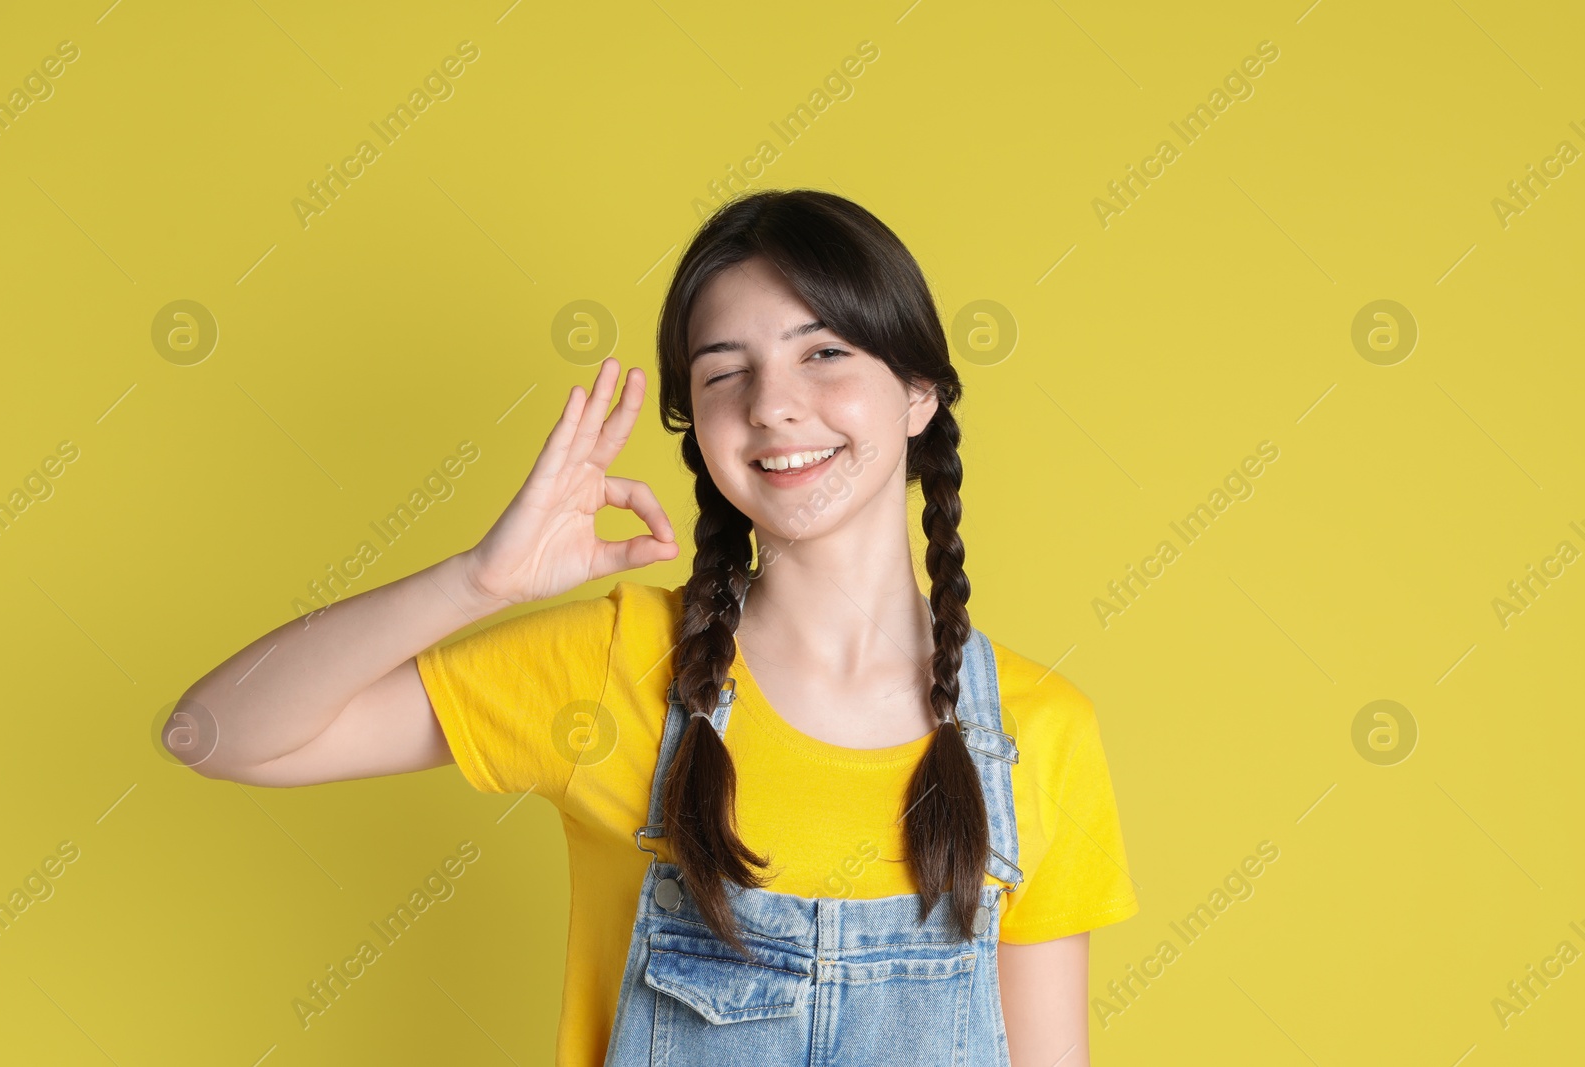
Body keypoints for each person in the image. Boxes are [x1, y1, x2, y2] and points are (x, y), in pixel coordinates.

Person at [168, 189, 1139, 1066]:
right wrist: (477, 579)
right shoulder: (611, 666)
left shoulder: (1037, 731)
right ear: (697, 427)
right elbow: (212, 732)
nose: (772, 404)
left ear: (919, 393)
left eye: (824, 352)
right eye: (727, 373)